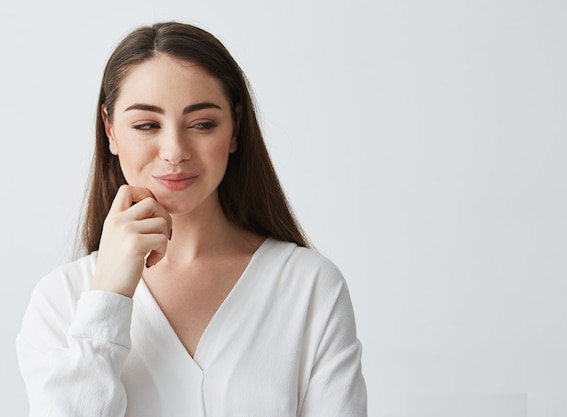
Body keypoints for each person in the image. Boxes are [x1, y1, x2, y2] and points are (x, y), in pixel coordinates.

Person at [16, 21, 367, 416]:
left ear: (235, 128)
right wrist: (108, 298)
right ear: (110, 129)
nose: (174, 151)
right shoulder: (61, 300)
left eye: (202, 124)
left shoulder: (310, 287)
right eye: (147, 125)